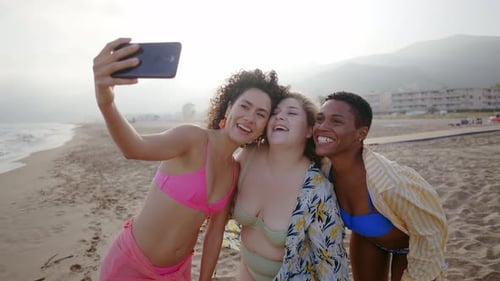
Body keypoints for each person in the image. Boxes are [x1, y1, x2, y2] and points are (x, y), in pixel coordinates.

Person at [93, 38, 287, 281]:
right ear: (228, 108)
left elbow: (214, 235)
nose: (250, 117)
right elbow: (135, 148)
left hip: (177, 273)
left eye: (261, 114)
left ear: (263, 128)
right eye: (245, 106)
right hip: (131, 266)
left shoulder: (234, 170)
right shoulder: (192, 138)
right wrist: (106, 102)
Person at [313, 91, 448, 281]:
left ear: (361, 133)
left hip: (412, 246)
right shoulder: (323, 173)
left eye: (336, 121)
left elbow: (431, 233)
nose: (322, 127)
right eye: (320, 119)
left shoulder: (389, 184)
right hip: (367, 239)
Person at [233, 92, 349, 281]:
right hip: (246, 272)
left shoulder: (317, 189)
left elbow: (330, 261)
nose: (280, 116)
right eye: (275, 112)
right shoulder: (248, 156)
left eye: (292, 113)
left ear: (309, 130)